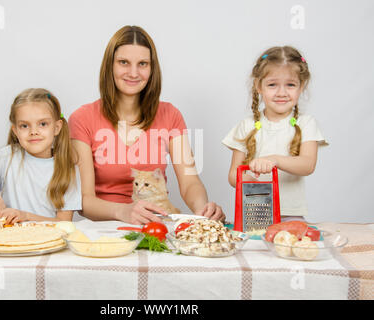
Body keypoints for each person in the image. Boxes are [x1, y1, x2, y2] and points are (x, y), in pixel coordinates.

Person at [69, 25, 224, 225]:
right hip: (103, 230)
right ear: (110, 66)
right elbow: (84, 201)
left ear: (152, 69)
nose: (133, 73)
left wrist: (203, 210)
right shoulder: (82, 118)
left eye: (142, 64)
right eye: (124, 62)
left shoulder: (171, 115)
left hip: (156, 225)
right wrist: (123, 211)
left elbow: (189, 183)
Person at [222, 46, 328, 220]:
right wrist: (251, 182)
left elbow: (308, 165)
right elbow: (234, 174)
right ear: (259, 86)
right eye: (272, 85)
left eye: (290, 85)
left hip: (290, 215)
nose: (281, 93)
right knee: (252, 247)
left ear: (301, 86)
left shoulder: (306, 123)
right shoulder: (247, 125)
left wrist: (275, 160)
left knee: (291, 246)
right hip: (255, 213)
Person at [0, 88, 82, 224]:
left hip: (47, 241)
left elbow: (63, 222)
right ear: (15, 130)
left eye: (43, 124)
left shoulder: (68, 167)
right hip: (9, 239)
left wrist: (25, 216)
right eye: (24, 126)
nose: (33, 132)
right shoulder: (6, 157)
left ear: (56, 127)